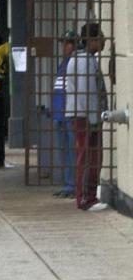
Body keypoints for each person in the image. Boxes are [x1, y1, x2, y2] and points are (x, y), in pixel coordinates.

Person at [66, 34, 108, 211]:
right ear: (91, 40)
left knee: (89, 156)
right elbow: (87, 92)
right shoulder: (85, 61)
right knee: (89, 156)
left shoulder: (82, 59)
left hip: (83, 114)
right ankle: (86, 198)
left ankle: (86, 196)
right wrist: (93, 119)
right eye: (101, 38)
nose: (104, 41)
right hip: (85, 116)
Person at [50, 32, 77, 198]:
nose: (64, 47)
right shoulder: (63, 63)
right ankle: (68, 185)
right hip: (60, 113)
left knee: (73, 151)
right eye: (63, 43)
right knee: (65, 151)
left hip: (70, 113)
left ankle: (74, 185)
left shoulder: (75, 63)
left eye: (67, 43)